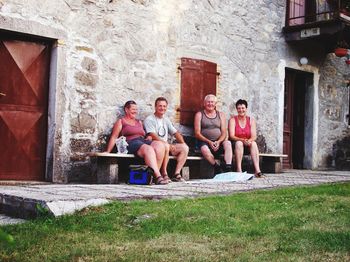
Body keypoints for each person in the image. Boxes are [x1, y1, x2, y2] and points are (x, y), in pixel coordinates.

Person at [104, 100, 168, 184]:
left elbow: (144, 135)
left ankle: (152, 176)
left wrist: (148, 137)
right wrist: (108, 151)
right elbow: (114, 137)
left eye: (136, 109)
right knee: (148, 149)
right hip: (130, 142)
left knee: (160, 145)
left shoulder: (139, 122)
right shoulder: (121, 121)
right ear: (126, 110)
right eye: (133, 109)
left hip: (142, 141)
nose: (135, 111)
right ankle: (158, 176)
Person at [144, 97, 189, 182]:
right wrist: (167, 144)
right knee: (165, 146)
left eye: (164, 106)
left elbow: (175, 133)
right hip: (155, 146)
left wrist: (183, 143)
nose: (162, 108)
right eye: (160, 106)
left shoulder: (166, 119)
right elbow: (152, 135)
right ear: (155, 107)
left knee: (184, 148)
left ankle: (176, 174)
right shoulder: (149, 119)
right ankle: (164, 173)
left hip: (166, 145)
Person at [194, 94, 233, 174]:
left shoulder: (221, 115)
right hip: (204, 141)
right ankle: (217, 167)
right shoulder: (199, 115)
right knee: (204, 149)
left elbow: (224, 132)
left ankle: (228, 167)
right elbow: (197, 133)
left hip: (219, 141)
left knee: (228, 143)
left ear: (215, 104)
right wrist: (209, 142)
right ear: (204, 103)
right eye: (208, 102)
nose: (210, 104)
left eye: (212, 102)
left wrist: (218, 142)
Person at [228, 99, 263, 178]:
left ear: (246, 109)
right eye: (239, 108)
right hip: (236, 144)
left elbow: (254, 136)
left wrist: (248, 141)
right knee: (239, 143)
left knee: (253, 143)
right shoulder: (232, 120)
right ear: (236, 109)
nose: (241, 110)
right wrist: (243, 140)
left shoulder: (251, 120)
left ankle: (257, 171)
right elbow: (231, 136)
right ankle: (239, 170)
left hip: (247, 144)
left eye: (243, 108)